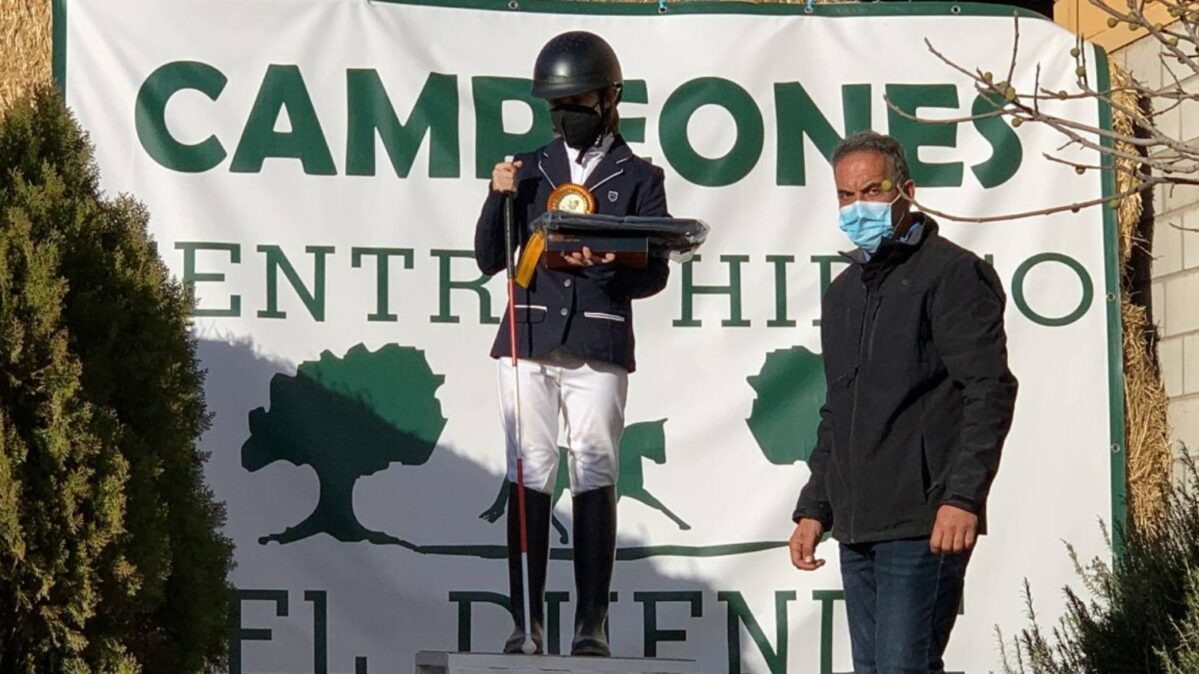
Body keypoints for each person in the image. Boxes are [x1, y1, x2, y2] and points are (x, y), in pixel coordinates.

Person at [789, 131, 1018, 673]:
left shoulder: (952, 273)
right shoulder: (844, 292)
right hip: (857, 525)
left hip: (924, 522)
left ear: (906, 191)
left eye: (872, 190)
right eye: (847, 195)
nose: (858, 205)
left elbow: (988, 390)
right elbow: (836, 411)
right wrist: (814, 507)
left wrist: (962, 497)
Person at [474, 30, 670, 657]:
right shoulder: (528, 169)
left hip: (597, 341)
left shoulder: (640, 176)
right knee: (529, 471)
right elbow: (488, 256)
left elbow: (655, 271)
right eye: (557, 105)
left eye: (578, 101)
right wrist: (496, 196)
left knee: (594, 468)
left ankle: (591, 623)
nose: (566, 115)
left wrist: (608, 260)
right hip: (528, 335)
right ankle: (525, 622)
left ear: (610, 99)